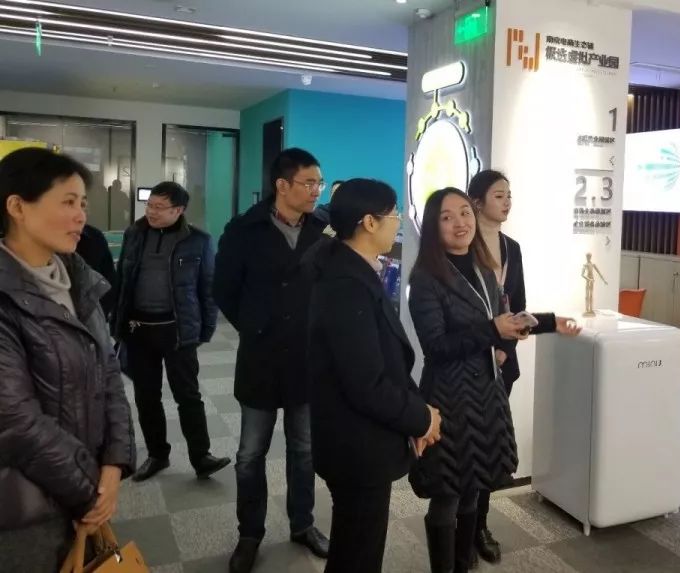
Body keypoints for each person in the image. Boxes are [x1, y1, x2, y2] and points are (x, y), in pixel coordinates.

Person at [0, 148, 135, 571]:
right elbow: (15, 420)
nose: (81, 216)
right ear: (17, 206)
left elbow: (109, 372)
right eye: (68, 202)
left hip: (85, 485)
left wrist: (114, 461)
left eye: (83, 204)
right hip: (26, 508)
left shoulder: (79, 280)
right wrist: (91, 491)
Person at [305, 179, 442, 573]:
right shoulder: (346, 286)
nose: (397, 221)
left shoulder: (351, 270)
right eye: (393, 214)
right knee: (358, 555)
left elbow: (386, 359)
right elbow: (366, 383)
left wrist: (418, 410)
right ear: (368, 222)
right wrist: (422, 418)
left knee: (354, 547)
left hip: (358, 439)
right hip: (357, 446)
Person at [214, 148, 330, 573]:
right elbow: (223, 288)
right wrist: (254, 325)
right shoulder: (244, 229)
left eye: (319, 183)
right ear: (282, 185)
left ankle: (303, 523)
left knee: (304, 450)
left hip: (306, 358)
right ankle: (250, 533)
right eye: (309, 183)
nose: (316, 191)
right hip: (260, 357)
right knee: (250, 453)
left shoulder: (322, 229)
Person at [408, 187, 531, 573]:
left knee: (474, 489)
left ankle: (464, 564)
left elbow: (496, 319)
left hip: (486, 392)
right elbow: (436, 346)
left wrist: (503, 341)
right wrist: (491, 332)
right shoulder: (425, 278)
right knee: (447, 494)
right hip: (450, 396)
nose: (460, 223)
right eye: (447, 217)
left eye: (464, 212)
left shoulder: (483, 267)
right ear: (433, 226)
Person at [466, 169, 580, 564]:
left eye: (509, 195)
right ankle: (462, 525)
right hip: (470, 359)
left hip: (502, 362)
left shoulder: (511, 248)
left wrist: (525, 335)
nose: (507, 202)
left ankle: (480, 525)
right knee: (467, 447)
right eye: (499, 195)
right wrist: (490, 343)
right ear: (477, 201)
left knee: (491, 445)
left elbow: (518, 305)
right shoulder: (462, 245)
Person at [111, 181, 230, 482]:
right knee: (146, 396)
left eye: (160, 207)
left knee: (188, 395)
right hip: (138, 329)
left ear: (179, 210)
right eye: (150, 205)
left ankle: (201, 457)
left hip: (177, 331)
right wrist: (117, 324)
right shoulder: (134, 233)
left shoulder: (198, 240)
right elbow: (122, 279)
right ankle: (157, 454)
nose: (151, 212)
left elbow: (209, 287)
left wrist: (205, 329)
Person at [76, 223, 116, 317]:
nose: (81, 217)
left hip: (93, 317)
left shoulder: (95, 237)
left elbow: (109, 280)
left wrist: (100, 315)